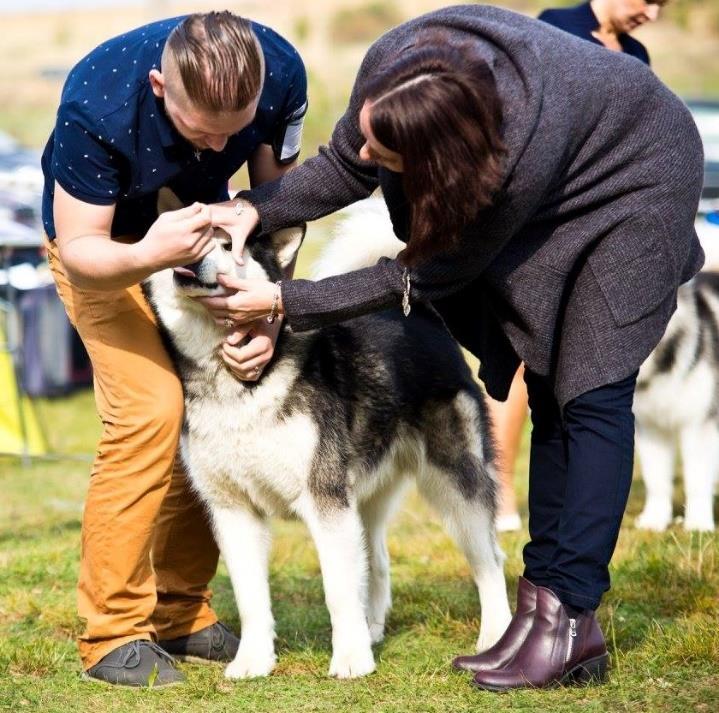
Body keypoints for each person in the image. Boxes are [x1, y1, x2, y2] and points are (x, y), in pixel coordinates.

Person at [197, 5, 704, 691]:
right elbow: (344, 161)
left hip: (636, 174)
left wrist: (287, 300)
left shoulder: (508, 164)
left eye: (387, 158)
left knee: (589, 388)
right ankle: (537, 606)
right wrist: (260, 206)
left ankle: (568, 618)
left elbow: (417, 274)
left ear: (441, 162)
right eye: (370, 135)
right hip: (568, 143)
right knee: (549, 384)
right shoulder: (394, 67)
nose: (367, 158)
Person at [40, 11, 307, 687]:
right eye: (200, 130)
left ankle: (181, 612)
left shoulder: (280, 74)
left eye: (233, 128)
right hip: (108, 250)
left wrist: (270, 312)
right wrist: (152, 250)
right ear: (160, 86)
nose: (219, 144)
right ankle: (112, 633)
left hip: (204, 253)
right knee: (151, 409)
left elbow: (281, 204)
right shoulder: (96, 102)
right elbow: (80, 248)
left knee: (209, 410)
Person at [490, 0, 669, 534]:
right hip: (546, 231)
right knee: (523, 365)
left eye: (664, 5)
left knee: (583, 373)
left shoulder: (636, 54)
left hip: (607, 235)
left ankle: (567, 502)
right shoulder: (555, 28)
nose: (653, 14)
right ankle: (497, 487)